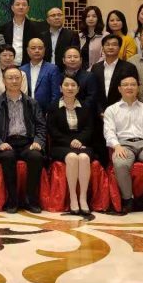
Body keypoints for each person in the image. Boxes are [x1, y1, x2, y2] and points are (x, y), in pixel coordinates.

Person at [0, 67, 46, 214]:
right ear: (4, 81)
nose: (14, 81)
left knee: (36, 156)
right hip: (6, 142)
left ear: (22, 80)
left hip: (27, 142)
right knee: (7, 156)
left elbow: (41, 126)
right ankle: (12, 200)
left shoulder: (31, 102)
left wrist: (38, 141)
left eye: (17, 78)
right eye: (10, 78)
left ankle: (31, 199)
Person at [103, 74, 143, 215]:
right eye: (125, 85)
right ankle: (128, 199)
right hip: (123, 145)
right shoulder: (111, 110)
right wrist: (116, 146)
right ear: (119, 89)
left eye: (133, 84)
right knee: (120, 163)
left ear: (138, 88)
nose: (129, 87)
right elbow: (109, 131)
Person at [48, 75, 95, 215]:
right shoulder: (53, 107)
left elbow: (89, 129)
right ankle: (73, 197)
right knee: (72, 157)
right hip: (60, 145)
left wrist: (79, 140)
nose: (70, 88)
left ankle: (83, 198)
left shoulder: (85, 107)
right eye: (66, 85)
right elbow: (52, 131)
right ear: (60, 88)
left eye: (73, 85)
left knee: (84, 158)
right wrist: (70, 142)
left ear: (78, 89)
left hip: (82, 144)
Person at [91, 34, 139, 116]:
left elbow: (132, 91)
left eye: (114, 44)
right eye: (107, 44)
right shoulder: (96, 68)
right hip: (99, 114)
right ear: (103, 48)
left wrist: (115, 111)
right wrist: (100, 111)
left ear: (120, 48)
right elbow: (93, 91)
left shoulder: (129, 67)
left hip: (122, 112)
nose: (110, 47)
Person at [0, 0, 44, 65]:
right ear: (12, 8)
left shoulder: (36, 27)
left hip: (29, 65)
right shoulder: (3, 28)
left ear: (28, 8)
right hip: (9, 65)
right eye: (17, 4)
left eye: (24, 5)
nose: (21, 7)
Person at [20, 38, 61, 109]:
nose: (37, 51)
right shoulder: (22, 70)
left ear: (44, 50)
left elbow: (56, 94)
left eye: (40, 48)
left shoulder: (52, 69)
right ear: (28, 51)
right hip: (26, 109)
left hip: (46, 111)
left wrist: (50, 111)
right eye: (33, 48)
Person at [61, 46, 97, 112]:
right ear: (63, 60)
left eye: (75, 57)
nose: (72, 59)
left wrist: (78, 110)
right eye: (69, 57)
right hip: (62, 112)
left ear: (81, 60)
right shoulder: (59, 76)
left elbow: (91, 98)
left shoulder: (89, 76)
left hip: (83, 113)